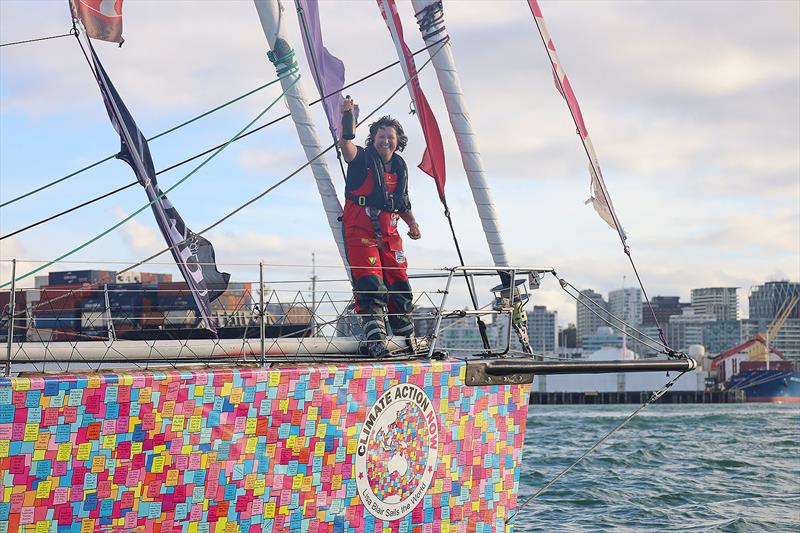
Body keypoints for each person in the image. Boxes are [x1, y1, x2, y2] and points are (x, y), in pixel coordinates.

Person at [339, 97, 421, 357]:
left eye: (391, 136)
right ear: (373, 138)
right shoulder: (361, 159)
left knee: (399, 282)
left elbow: (402, 202)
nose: (386, 140)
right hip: (360, 232)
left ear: (398, 141)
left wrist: (413, 223)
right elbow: (346, 146)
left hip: (391, 234)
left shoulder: (399, 167)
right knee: (371, 282)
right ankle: (375, 337)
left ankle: (405, 337)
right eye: (381, 135)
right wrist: (347, 117)